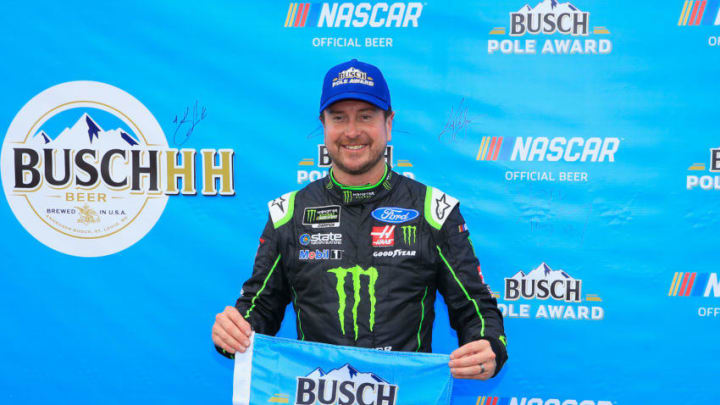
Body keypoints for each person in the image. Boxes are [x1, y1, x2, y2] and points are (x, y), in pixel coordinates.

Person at [212, 59, 507, 380]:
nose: (352, 132)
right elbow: (259, 309)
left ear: (388, 122)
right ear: (323, 124)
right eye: (339, 118)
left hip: (404, 395)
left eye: (365, 116)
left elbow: (474, 307)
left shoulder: (434, 211)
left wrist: (489, 344)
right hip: (317, 393)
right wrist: (233, 333)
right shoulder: (289, 213)